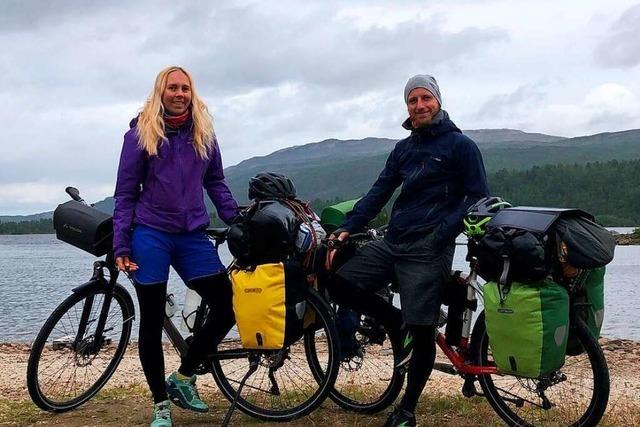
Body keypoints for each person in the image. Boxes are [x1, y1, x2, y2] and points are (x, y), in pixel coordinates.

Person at [328, 74, 489, 427]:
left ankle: (406, 411)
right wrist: (348, 227)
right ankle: (392, 319)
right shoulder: (405, 148)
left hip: (429, 247)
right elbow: (380, 191)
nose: (419, 106)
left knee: (421, 331)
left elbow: (477, 195)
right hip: (394, 241)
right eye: (413, 100)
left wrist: (443, 233)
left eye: (425, 98)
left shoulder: (461, 146)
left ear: (438, 101)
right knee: (338, 282)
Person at [112, 66, 239, 427]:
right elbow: (125, 193)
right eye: (172, 87)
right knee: (151, 319)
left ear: (192, 92)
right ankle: (159, 404)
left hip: (192, 235)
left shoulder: (204, 132)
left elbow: (215, 181)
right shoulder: (141, 133)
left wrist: (235, 218)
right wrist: (122, 241)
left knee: (227, 305)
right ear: (161, 92)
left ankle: (183, 378)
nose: (179, 93)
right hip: (150, 233)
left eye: (185, 88)